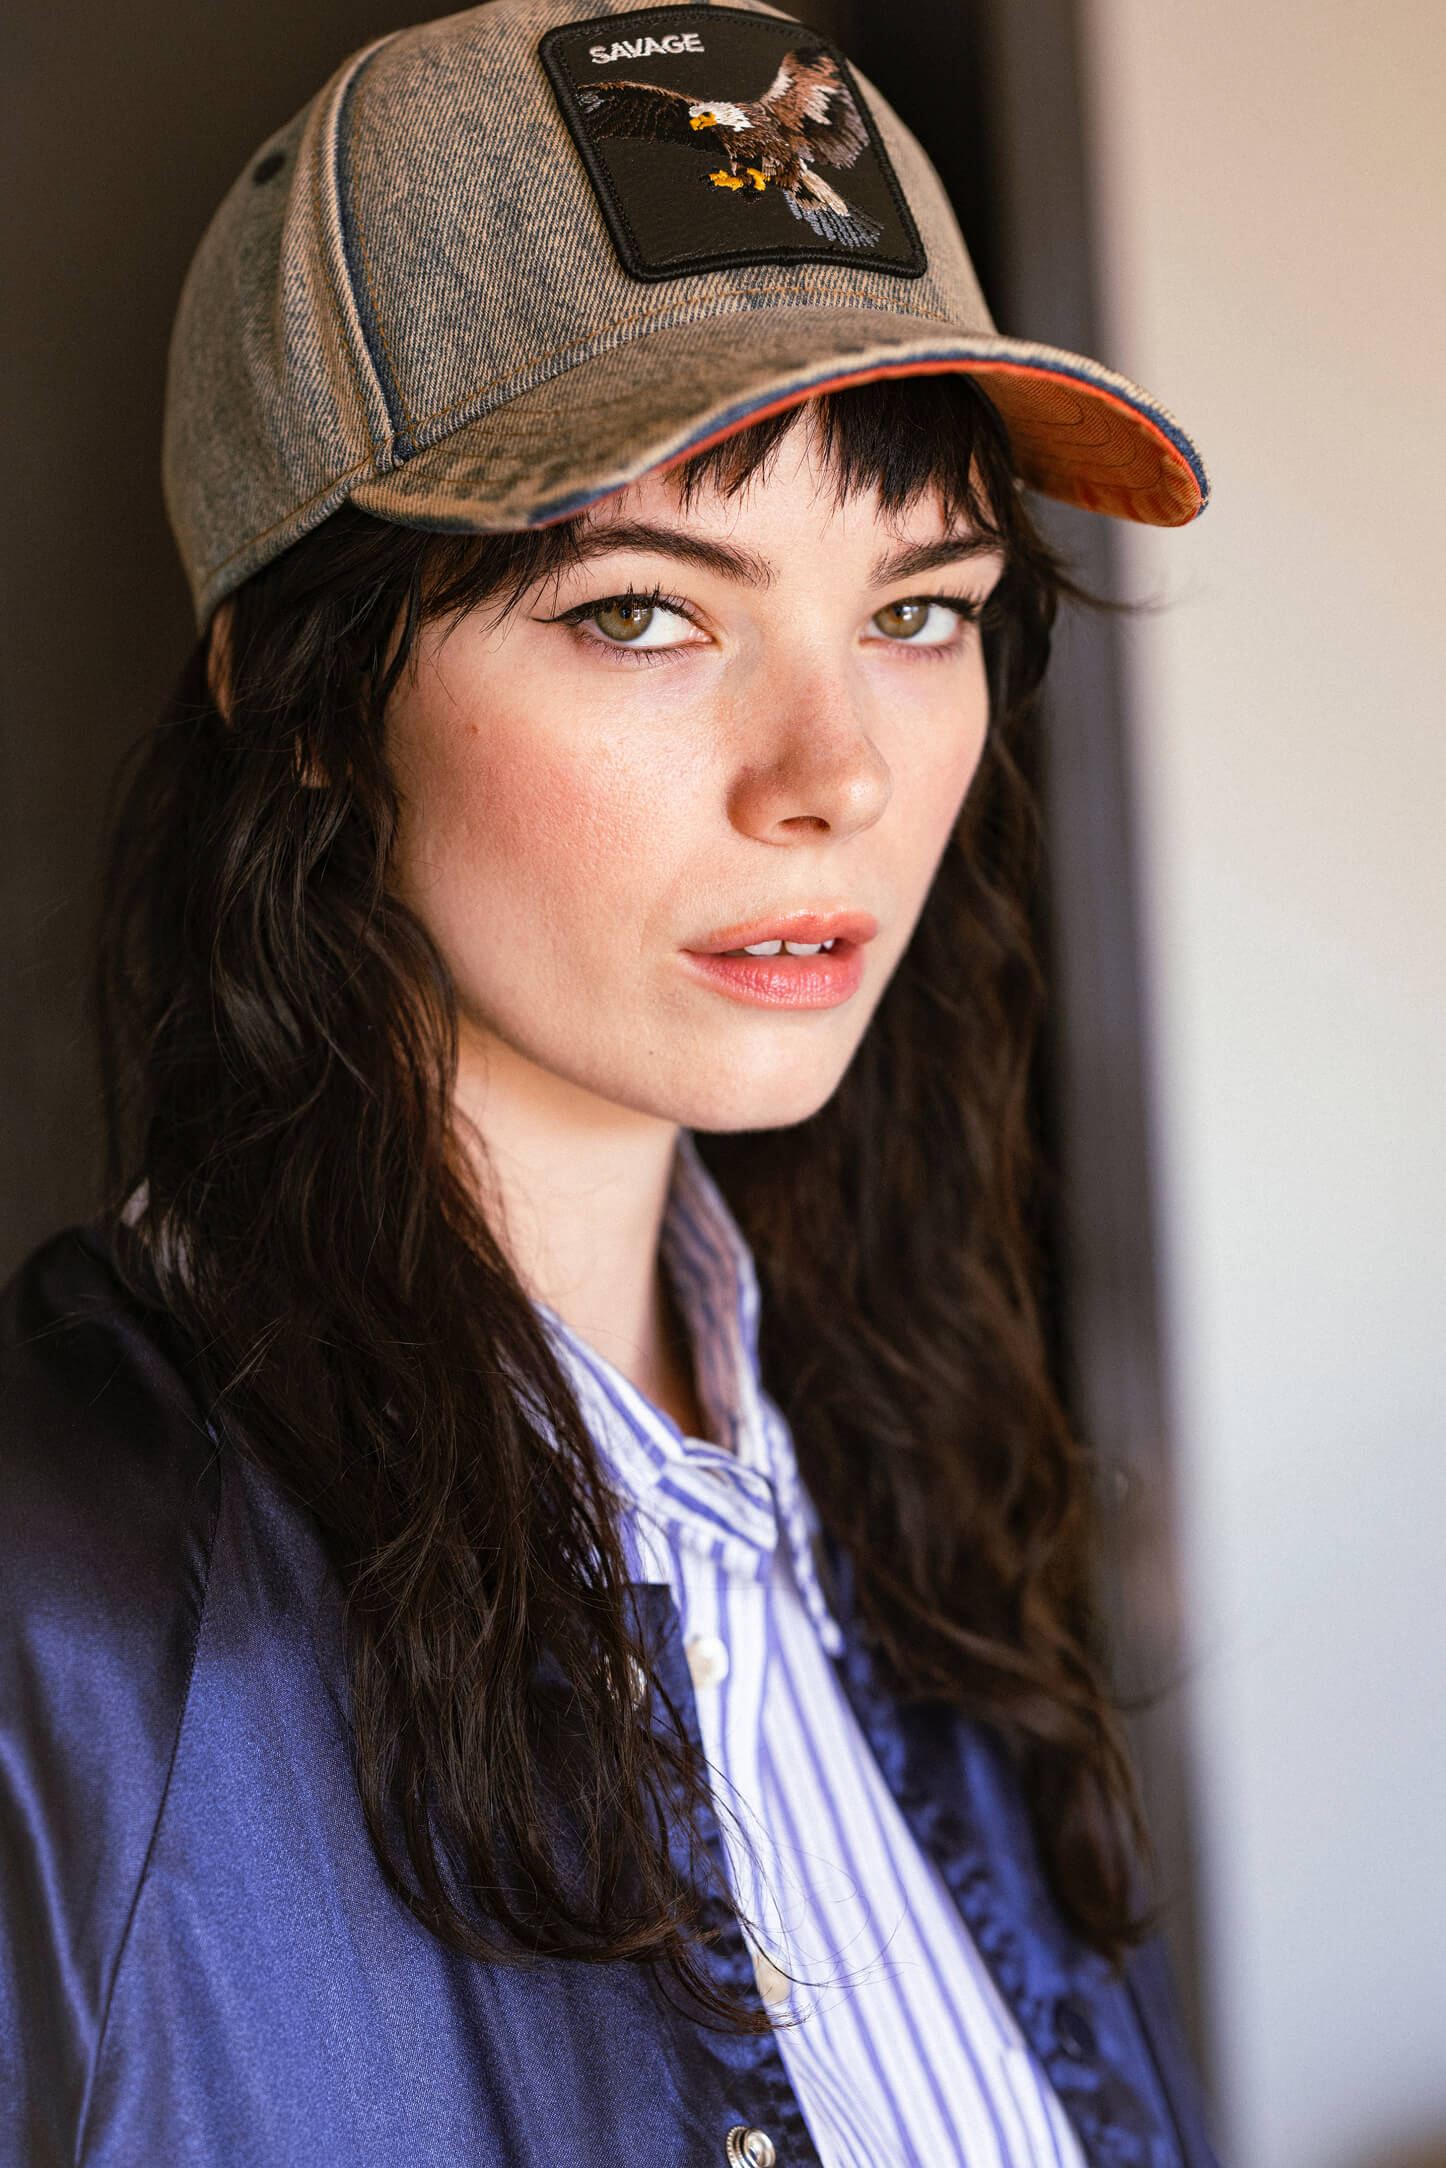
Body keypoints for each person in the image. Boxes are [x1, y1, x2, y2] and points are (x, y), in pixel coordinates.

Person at [0, 4, 1217, 2163]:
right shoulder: (61, 1616)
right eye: (648, 614)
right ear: (298, 691)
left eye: (919, 611)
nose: (835, 776)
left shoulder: (899, 1485)